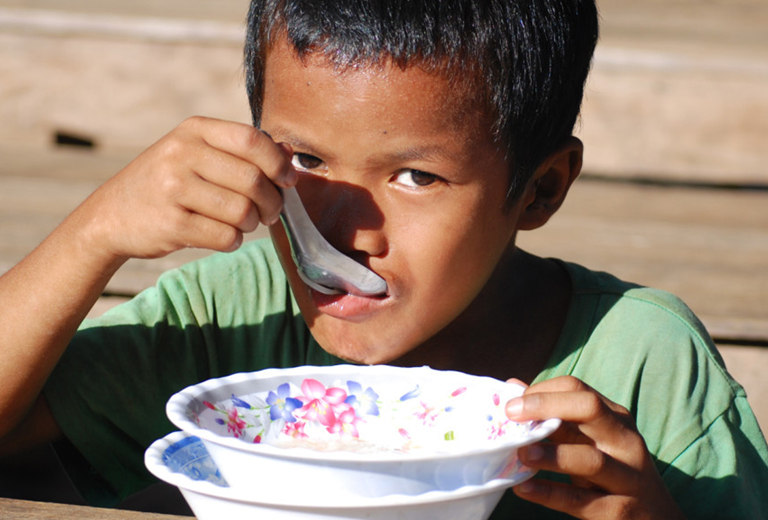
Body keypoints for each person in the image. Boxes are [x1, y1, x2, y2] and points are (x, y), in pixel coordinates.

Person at [1, 0, 766, 518]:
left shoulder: (642, 365)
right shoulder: (229, 315)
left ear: (539, 190)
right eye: (304, 157)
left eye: (415, 177)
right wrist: (93, 233)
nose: (344, 227)